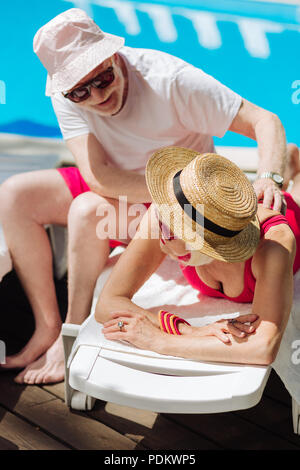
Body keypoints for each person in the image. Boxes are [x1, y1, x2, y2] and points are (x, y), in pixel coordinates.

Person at [0, 7, 293, 383]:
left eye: (103, 78)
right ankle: (50, 327)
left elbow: (264, 119)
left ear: (113, 54)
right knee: (14, 195)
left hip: (188, 197)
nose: (96, 95)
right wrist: (170, 200)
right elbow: (99, 177)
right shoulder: (69, 94)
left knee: (87, 211)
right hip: (132, 186)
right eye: (80, 90)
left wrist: (269, 177)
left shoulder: (170, 80)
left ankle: (70, 332)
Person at [96, 146, 300, 365]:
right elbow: (107, 303)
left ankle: (292, 162)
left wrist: (158, 340)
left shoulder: (273, 244)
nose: (158, 228)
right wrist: (188, 330)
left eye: (174, 228)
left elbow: (263, 348)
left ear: (204, 245)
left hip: (289, 218)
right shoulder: (164, 215)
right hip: (228, 216)